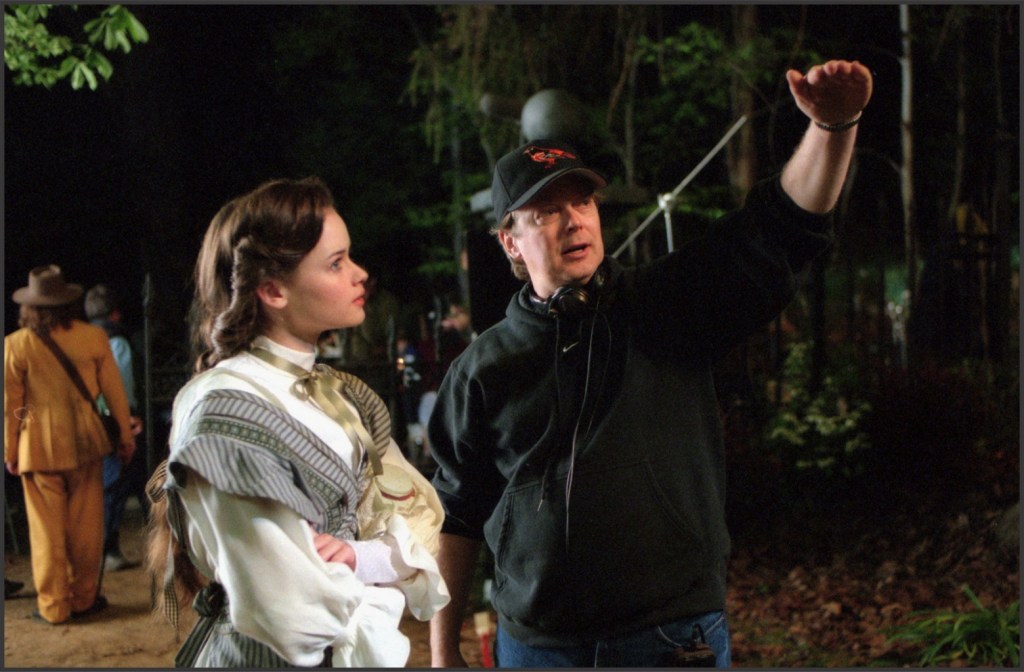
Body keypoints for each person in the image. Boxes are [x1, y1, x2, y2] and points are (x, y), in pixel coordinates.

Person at [428, 60, 873, 667]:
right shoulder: (481, 369)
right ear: (510, 241)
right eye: (547, 211)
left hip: (668, 639)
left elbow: (781, 230)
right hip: (536, 649)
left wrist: (833, 126)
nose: (575, 219)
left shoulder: (668, 306)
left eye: (583, 199)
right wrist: (443, 651)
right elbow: (455, 514)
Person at [145, 177, 449, 667]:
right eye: (336, 263)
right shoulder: (225, 408)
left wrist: (358, 557)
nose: (360, 274)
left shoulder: (342, 397)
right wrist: (375, 581)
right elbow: (291, 612)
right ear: (272, 289)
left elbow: (421, 525)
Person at [4, 265, 135, 625]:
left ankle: (54, 606)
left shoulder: (16, 345)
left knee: (45, 533)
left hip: (36, 447)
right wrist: (125, 438)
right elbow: (115, 394)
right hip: (86, 442)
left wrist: (10, 450)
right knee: (86, 529)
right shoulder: (93, 338)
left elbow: (12, 407)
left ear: (29, 307)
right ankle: (83, 599)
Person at [84, 283, 145, 571]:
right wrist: (127, 419)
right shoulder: (117, 342)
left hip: (88, 421)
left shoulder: (82, 341)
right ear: (116, 314)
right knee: (114, 485)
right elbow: (120, 387)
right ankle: (106, 549)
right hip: (112, 421)